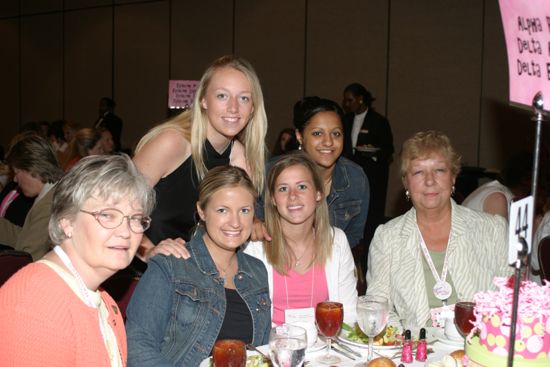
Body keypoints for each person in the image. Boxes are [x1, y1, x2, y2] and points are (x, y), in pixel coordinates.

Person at [0, 154, 155, 366]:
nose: (126, 232)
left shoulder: (102, 300)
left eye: (136, 219)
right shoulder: (36, 305)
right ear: (67, 222)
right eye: (108, 215)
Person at [126, 165, 271, 366]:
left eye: (244, 210)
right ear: (201, 211)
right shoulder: (171, 265)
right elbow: (137, 346)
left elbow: (261, 351)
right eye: (222, 210)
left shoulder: (257, 271)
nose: (235, 222)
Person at [366, 131, 511, 329]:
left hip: (479, 347)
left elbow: (512, 299)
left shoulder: (492, 229)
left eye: (440, 170)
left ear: (453, 178)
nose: (429, 181)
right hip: (417, 352)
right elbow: (377, 305)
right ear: (405, 182)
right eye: (418, 172)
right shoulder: (387, 237)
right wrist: (409, 343)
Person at [133, 55, 267, 265]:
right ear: (203, 100)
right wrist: (148, 251)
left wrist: (255, 222)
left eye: (243, 98)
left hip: (199, 280)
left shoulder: (240, 159)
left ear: (252, 108)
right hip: (143, 274)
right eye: (222, 96)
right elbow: (115, 206)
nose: (233, 108)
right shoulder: (173, 143)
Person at [246, 152, 358, 325]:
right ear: (273, 199)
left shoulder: (337, 241)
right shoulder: (255, 245)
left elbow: (349, 316)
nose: (293, 196)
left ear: (319, 193)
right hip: (270, 348)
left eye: (302, 187)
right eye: (283, 188)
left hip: (326, 346)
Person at [254, 97, 369, 251]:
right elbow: (250, 220)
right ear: (300, 136)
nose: (328, 142)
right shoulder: (271, 173)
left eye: (336, 134)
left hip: (329, 263)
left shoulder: (355, 178)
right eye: (317, 133)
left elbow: (354, 235)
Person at [342, 83, 394, 253]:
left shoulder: (378, 121)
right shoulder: (345, 120)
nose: (346, 104)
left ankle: (370, 254)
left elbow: (388, 150)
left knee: (371, 218)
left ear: (361, 99)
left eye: (350, 100)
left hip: (373, 176)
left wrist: (371, 153)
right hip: (350, 175)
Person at [0, 134, 64, 260]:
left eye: (17, 172)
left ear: (32, 168)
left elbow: (28, 256)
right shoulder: (51, 193)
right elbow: (26, 236)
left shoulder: (48, 204)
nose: (15, 179)